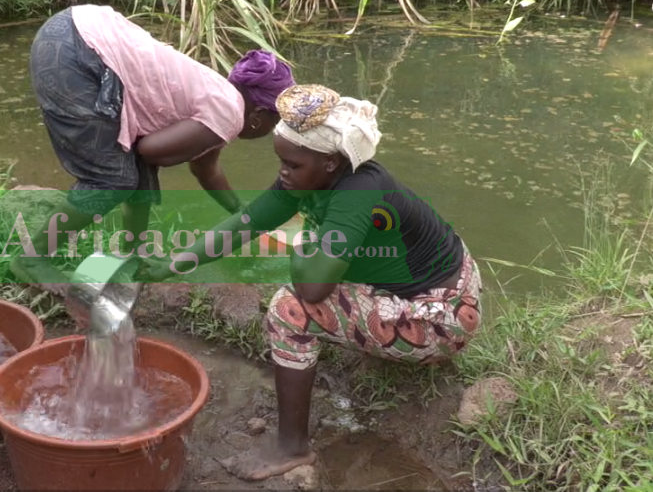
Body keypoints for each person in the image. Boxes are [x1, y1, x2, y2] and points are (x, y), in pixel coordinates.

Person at [139, 84, 483, 481]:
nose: (283, 172)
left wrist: (301, 248)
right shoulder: (306, 179)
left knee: (290, 310)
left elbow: (312, 289)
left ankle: (292, 447)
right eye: (281, 161)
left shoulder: (358, 192)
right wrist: (170, 265)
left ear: (332, 163)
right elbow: (245, 224)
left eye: (293, 164)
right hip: (428, 286)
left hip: (442, 315)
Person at [9, 4, 296, 299]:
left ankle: (133, 253)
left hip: (75, 32)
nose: (270, 131)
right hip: (79, 52)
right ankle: (31, 259)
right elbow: (148, 151)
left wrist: (241, 212)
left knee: (132, 172)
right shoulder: (229, 114)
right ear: (260, 115)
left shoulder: (219, 95)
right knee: (112, 179)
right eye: (276, 122)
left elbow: (204, 169)